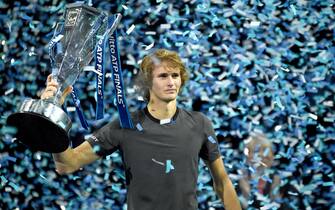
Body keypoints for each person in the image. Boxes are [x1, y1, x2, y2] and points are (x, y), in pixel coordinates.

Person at [41, 49, 241, 210]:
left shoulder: (200, 124)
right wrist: (50, 116)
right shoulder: (124, 126)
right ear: (148, 82)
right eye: (163, 76)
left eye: (175, 75)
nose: (171, 82)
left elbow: (222, 182)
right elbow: (67, 165)